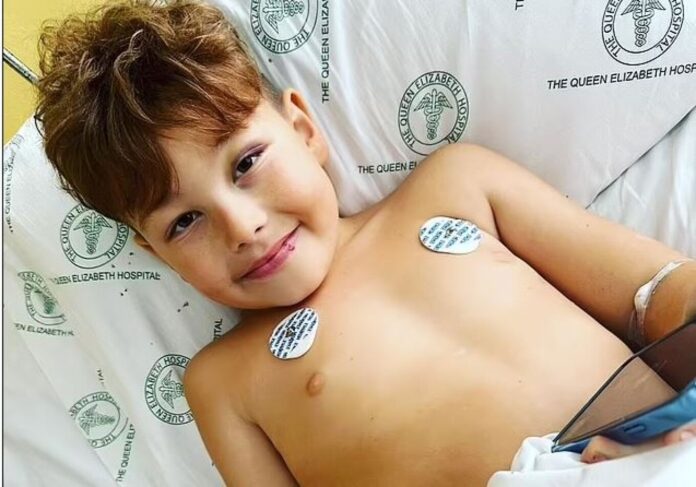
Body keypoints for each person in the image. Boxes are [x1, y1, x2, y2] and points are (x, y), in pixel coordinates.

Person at [35, 1, 696, 485]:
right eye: (184, 222)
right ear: (156, 254)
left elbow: (655, 290)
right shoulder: (227, 382)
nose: (241, 227)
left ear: (304, 130)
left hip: (662, 448)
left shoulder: (457, 186)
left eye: (246, 163)